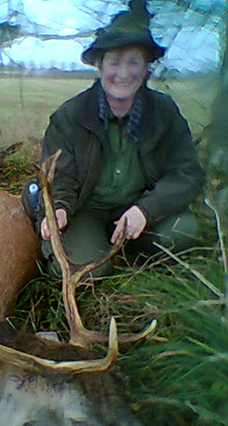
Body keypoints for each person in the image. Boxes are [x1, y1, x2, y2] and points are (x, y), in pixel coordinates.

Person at [24, 0, 205, 279]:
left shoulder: (164, 113)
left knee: (183, 230)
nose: (123, 73)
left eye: (134, 61)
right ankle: (91, 247)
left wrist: (146, 209)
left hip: (140, 208)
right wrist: (59, 208)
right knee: (85, 274)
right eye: (114, 61)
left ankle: (129, 248)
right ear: (99, 65)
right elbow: (60, 177)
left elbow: (186, 173)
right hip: (86, 210)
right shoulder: (69, 117)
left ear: (146, 67)